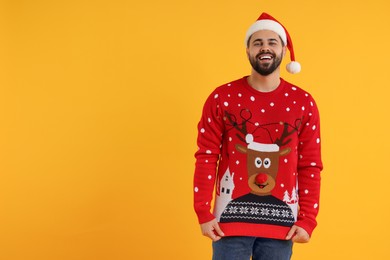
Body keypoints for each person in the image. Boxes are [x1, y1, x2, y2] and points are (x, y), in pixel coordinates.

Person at [193, 12, 323, 260]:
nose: (265, 48)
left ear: (284, 50)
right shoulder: (221, 97)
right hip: (228, 224)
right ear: (248, 51)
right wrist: (203, 211)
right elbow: (207, 156)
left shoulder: (303, 103)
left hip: (281, 227)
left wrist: (307, 219)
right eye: (258, 42)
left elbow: (310, 166)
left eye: (272, 42)